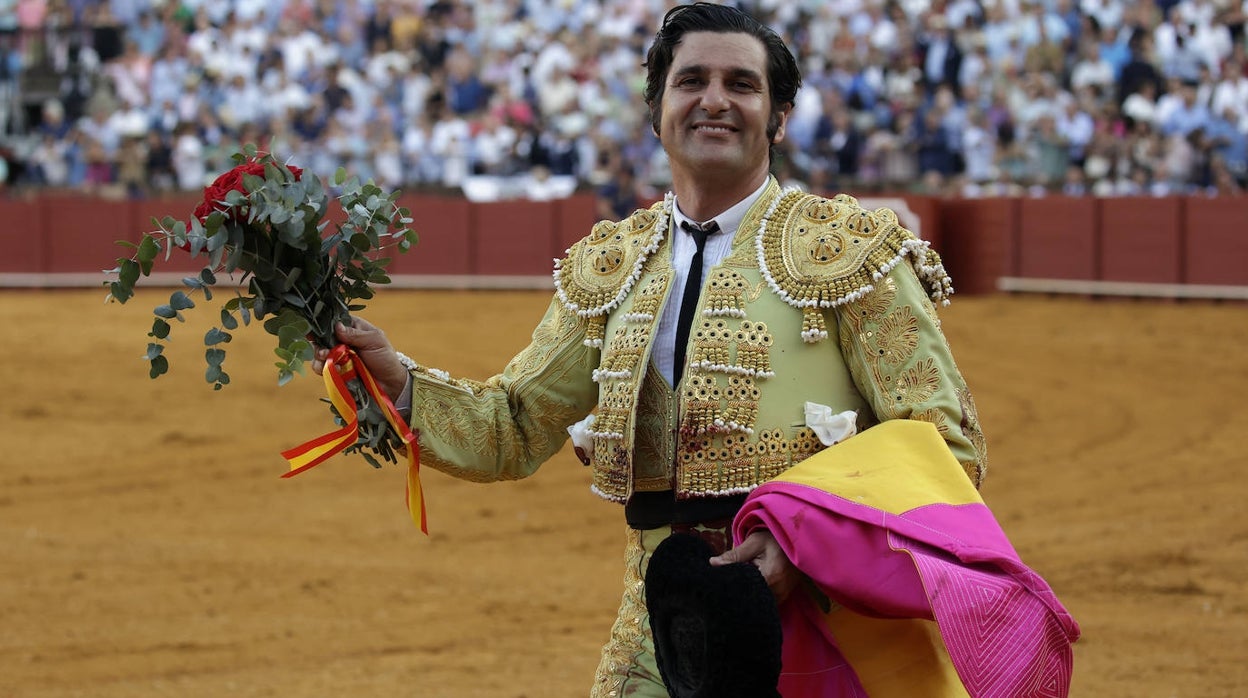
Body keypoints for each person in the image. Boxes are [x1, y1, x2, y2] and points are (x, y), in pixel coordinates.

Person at [316, 4, 1021, 695]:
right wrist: (395, 380)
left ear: (776, 118)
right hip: (661, 622)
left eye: (741, 85)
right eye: (692, 82)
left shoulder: (849, 251)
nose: (714, 101)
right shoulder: (614, 263)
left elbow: (943, 445)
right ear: (657, 111)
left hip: (822, 620)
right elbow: (512, 424)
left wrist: (806, 550)